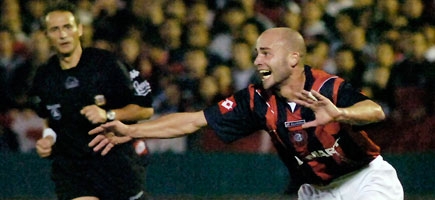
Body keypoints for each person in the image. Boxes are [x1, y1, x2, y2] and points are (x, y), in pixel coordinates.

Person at [89, 27, 404, 200]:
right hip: (316, 191)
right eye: (256, 53)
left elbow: (374, 111)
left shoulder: (326, 86)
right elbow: (194, 120)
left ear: (293, 58)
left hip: (364, 179)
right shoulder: (256, 100)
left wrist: (341, 114)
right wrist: (133, 131)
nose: (257, 61)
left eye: (266, 52)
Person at [29, 1, 153, 200]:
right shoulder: (44, 77)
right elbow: (50, 118)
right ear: (46, 35)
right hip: (72, 169)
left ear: (79, 29)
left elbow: (145, 109)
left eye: (67, 27)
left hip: (115, 163)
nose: (62, 35)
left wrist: (109, 114)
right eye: (55, 29)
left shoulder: (107, 64)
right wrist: (48, 138)